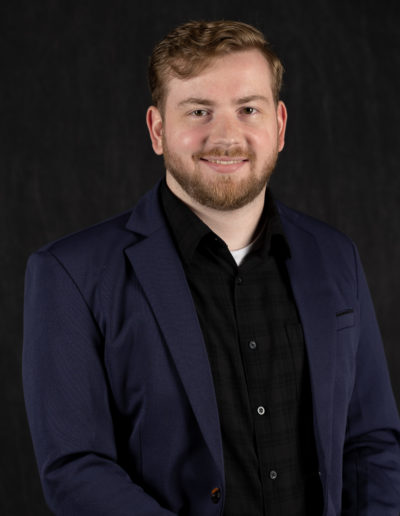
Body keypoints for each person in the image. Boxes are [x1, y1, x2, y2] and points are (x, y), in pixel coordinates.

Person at [23, 20, 400, 516]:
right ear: (158, 130)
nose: (226, 137)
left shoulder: (335, 257)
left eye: (248, 109)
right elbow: (76, 470)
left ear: (279, 126)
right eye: (199, 111)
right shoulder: (69, 274)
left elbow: (372, 443)